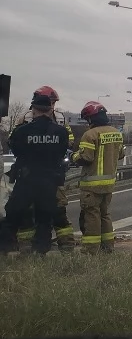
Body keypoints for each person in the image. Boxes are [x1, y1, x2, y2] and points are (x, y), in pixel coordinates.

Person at [7, 86, 76, 252]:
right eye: (51, 102)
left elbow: (69, 140)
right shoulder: (25, 118)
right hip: (32, 172)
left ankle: (66, 246)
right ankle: (29, 247)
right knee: (27, 213)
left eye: (54, 102)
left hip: (52, 171)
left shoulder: (60, 118)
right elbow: (13, 140)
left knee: (59, 211)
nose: (52, 105)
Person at [73, 101, 125, 253]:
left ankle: (91, 250)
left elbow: (86, 158)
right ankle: (108, 247)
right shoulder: (116, 133)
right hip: (109, 184)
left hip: (92, 185)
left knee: (92, 215)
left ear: (91, 118)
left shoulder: (90, 135)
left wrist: (74, 156)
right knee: (105, 215)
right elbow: (121, 154)